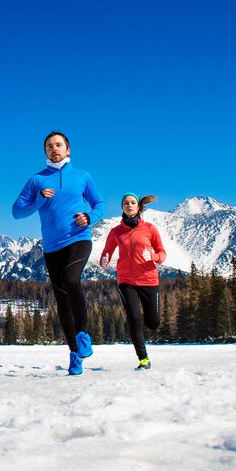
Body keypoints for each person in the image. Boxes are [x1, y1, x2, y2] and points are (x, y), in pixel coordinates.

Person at [13, 131, 106, 375]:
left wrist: (90, 217)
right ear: (45, 152)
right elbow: (17, 211)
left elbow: (100, 204)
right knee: (62, 302)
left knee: (71, 279)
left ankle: (83, 333)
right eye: (49, 146)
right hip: (52, 248)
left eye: (58, 145)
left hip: (78, 238)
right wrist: (39, 202)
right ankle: (75, 354)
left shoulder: (82, 177)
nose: (54, 149)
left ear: (68, 149)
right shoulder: (37, 180)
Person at [99, 193, 166, 370]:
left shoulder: (150, 229)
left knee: (153, 323)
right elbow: (106, 252)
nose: (129, 205)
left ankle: (148, 324)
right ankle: (143, 359)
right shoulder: (115, 232)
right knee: (134, 319)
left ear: (138, 207)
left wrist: (152, 256)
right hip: (126, 281)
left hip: (149, 280)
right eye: (125, 203)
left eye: (132, 203)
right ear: (122, 207)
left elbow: (162, 254)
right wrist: (104, 259)